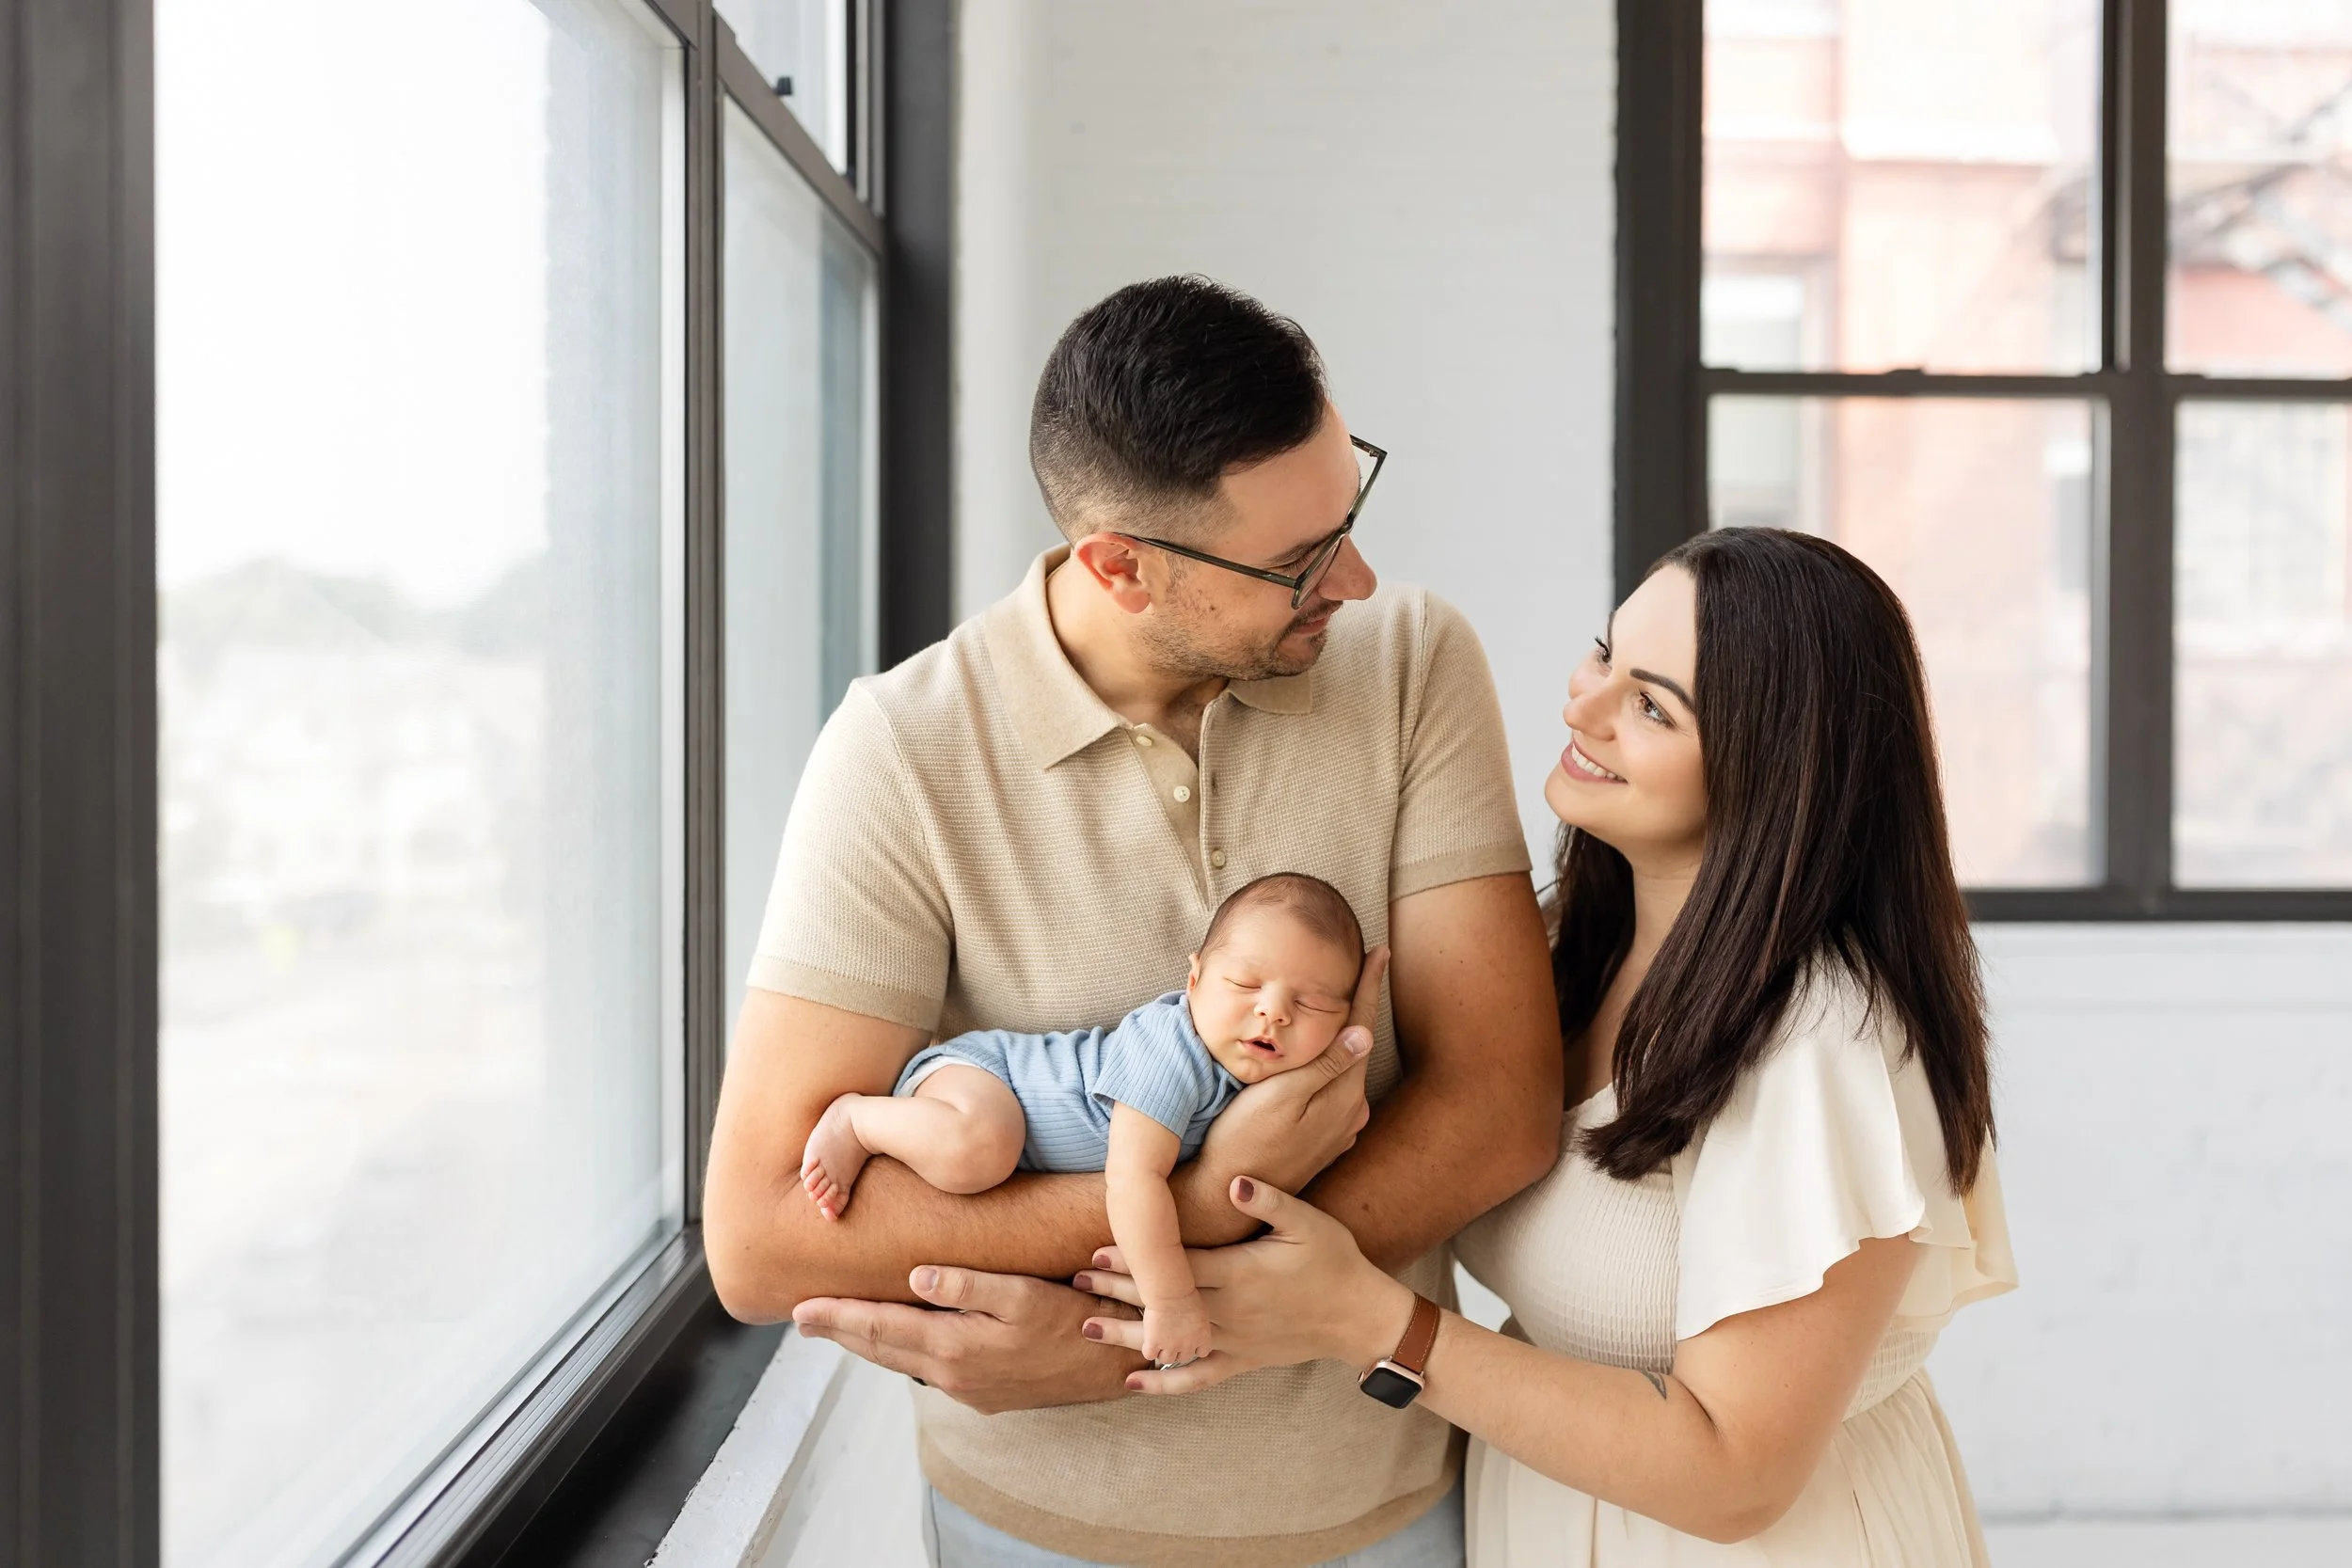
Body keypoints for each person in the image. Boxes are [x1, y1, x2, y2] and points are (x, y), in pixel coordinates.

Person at [701, 275, 1563, 1567]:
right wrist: (1189, 1211)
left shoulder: (1413, 662)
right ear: (1122, 564)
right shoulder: (904, 749)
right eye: (1296, 562)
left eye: (1350, 510)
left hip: (1382, 1507)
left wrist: (1166, 1297)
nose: (1360, 577)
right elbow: (764, 1239)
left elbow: (1499, 1101)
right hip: (1032, 1533)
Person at [1080, 527, 2019, 1566]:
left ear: (1779, 774)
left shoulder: (1820, 1043)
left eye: (1652, 706)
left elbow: (1737, 1473)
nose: (1582, 705)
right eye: (1603, 654)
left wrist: (1374, 1323)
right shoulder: (1566, 940)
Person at [799, 873, 1371, 1371]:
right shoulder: (1173, 1051)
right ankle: (858, 1120)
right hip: (983, 1078)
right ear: (1193, 981)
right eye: (1245, 985)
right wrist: (1170, 1301)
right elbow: (1133, 1181)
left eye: (1314, 1004)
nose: (1274, 1011)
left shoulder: (1264, 1079)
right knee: (980, 1150)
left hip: (1003, 1112)